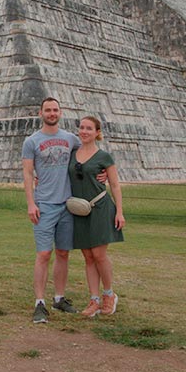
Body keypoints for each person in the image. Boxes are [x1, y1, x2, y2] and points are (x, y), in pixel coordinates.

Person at [22, 97, 81, 323]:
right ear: (41, 113)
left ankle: (59, 297)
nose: (52, 113)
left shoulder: (70, 139)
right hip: (44, 204)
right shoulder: (32, 141)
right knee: (44, 254)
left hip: (67, 204)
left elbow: (87, 156)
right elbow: (28, 173)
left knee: (64, 253)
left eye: (55, 110)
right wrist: (31, 203)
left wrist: (103, 173)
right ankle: (40, 302)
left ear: (60, 112)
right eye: (48, 110)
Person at [68, 115, 125, 317]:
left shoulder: (104, 157)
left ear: (97, 132)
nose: (84, 131)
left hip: (100, 208)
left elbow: (115, 185)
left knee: (99, 255)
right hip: (79, 210)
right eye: (82, 127)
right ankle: (94, 300)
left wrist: (119, 211)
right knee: (88, 257)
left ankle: (109, 294)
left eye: (89, 128)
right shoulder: (72, 154)